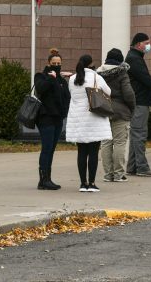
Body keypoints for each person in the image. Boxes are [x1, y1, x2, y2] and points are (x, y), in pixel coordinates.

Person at [65, 54, 112, 192]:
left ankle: (82, 184)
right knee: (93, 152)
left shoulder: (73, 79)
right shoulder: (97, 77)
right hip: (94, 118)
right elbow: (108, 92)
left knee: (81, 152)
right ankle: (91, 183)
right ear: (91, 64)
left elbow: (72, 95)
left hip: (78, 120)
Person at [125, 33, 151, 177]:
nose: (149, 45)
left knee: (135, 134)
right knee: (139, 134)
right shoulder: (134, 58)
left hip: (139, 101)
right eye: (146, 43)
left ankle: (132, 166)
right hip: (139, 102)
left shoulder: (135, 57)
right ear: (138, 44)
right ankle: (142, 167)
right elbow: (146, 79)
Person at [34, 48, 71, 190]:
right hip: (46, 118)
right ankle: (43, 180)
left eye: (59, 63)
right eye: (54, 63)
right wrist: (51, 77)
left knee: (52, 149)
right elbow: (41, 88)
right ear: (49, 63)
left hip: (58, 118)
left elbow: (66, 96)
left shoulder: (62, 80)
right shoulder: (41, 76)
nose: (56, 65)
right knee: (47, 148)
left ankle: (48, 178)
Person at [96, 48, 136, 182]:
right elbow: (129, 94)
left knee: (106, 142)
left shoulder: (99, 73)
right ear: (120, 60)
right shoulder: (122, 73)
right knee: (119, 142)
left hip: (103, 110)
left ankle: (108, 175)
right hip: (120, 111)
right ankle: (118, 174)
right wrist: (131, 108)